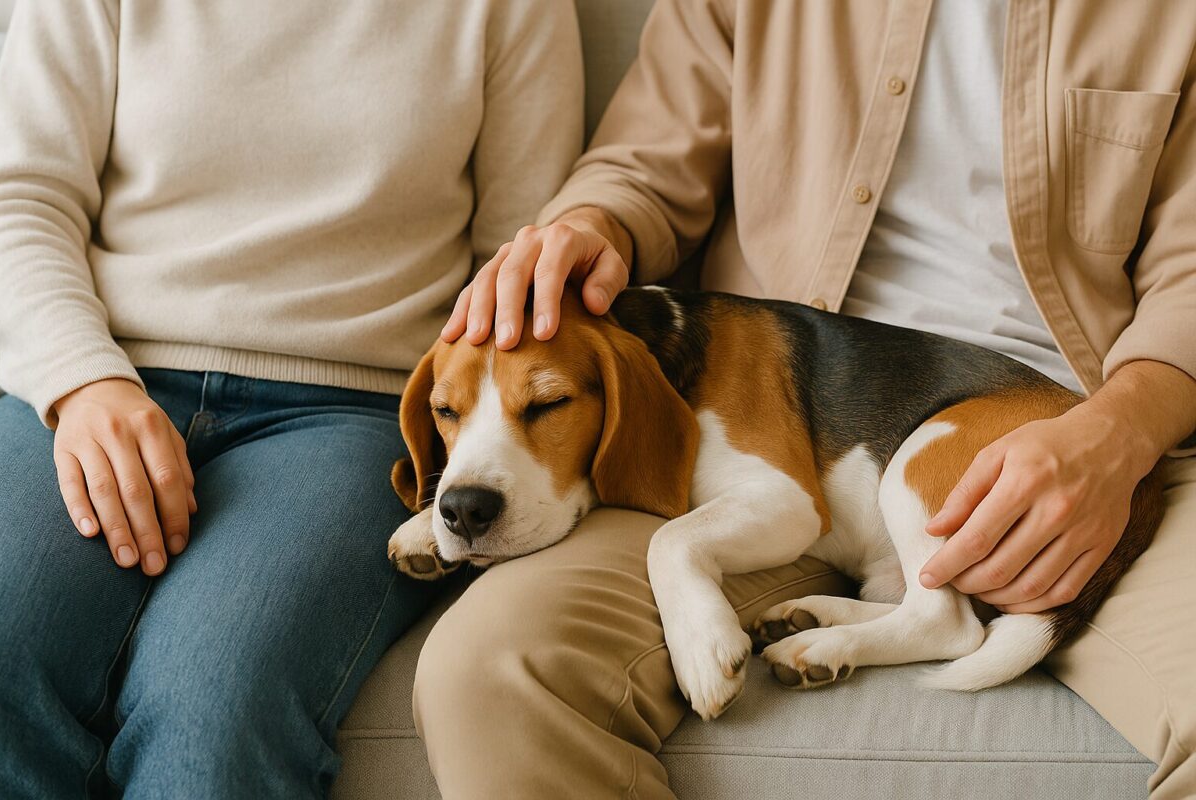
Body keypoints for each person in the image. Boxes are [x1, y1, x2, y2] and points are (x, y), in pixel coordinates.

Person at [418, 1, 1196, 798]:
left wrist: (1119, 433)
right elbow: (643, 166)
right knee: (489, 674)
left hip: (1089, 418)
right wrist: (588, 227)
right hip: (755, 408)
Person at [0, 0, 581, 796]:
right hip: (98, 377)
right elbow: (19, 196)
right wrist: (83, 381)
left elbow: (516, 271)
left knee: (217, 711)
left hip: (350, 410)